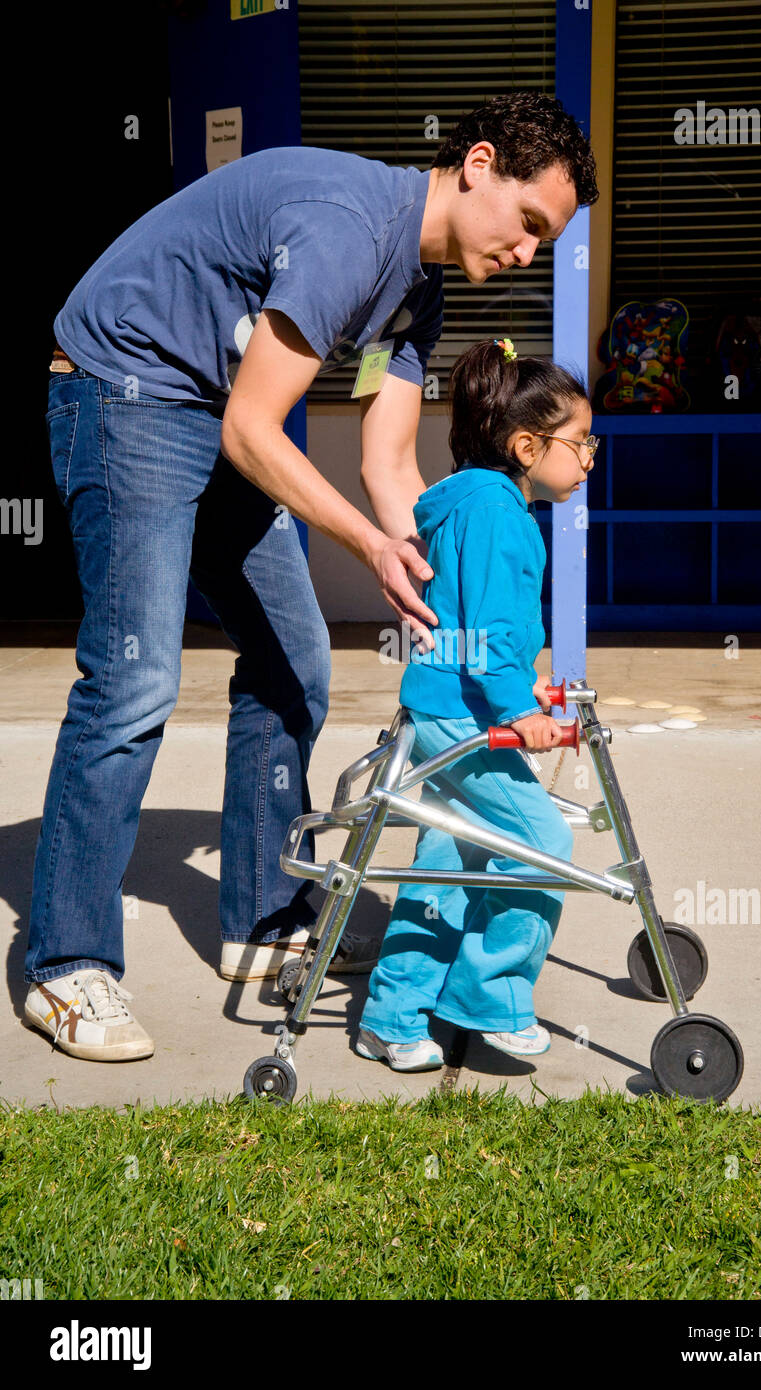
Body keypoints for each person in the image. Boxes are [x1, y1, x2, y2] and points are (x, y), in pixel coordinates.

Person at [24, 92, 599, 1063]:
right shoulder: (348, 230)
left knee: (295, 662)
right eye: (529, 222)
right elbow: (257, 427)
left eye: (545, 238)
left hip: (207, 407)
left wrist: (452, 589)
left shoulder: (418, 293)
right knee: (134, 678)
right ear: (477, 165)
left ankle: (261, 921)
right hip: (120, 387)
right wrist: (370, 549)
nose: (528, 253)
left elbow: (388, 468)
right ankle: (66, 963)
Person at [357, 337, 597, 1072]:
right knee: (541, 846)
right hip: (465, 714)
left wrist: (522, 688)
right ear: (527, 445)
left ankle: (392, 1015)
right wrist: (517, 712)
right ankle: (492, 996)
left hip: (443, 704)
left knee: (446, 861)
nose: (590, 457)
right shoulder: (499, 513)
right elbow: (492, 630)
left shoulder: (469, 503)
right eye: (582, 442)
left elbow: (473, 622)